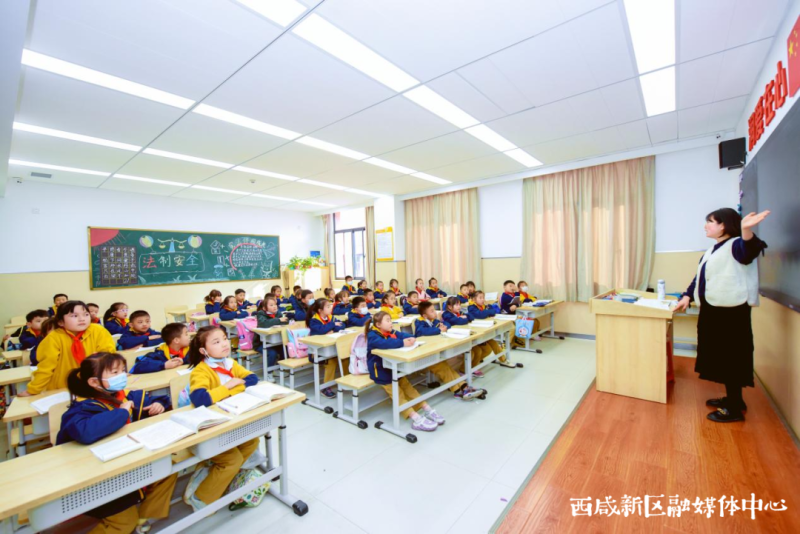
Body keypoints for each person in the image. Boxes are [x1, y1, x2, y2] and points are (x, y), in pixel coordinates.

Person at [58, 352, 176, 534]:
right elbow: (86, 432)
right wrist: (122, 413)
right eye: (115, 372)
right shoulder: (82, 408)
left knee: (167, 468)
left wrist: (158, 404)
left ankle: (144, 517)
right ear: (94, 382)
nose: (122, 375)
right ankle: (129, 520)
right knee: (123, 523)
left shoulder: (124, 395)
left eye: (122, 370)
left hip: (128, 464)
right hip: (99, 478)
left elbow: (156, 399)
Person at [674, 208, 769, 423]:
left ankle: (734, 409)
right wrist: (687, 296)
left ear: (724, 225)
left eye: (710, 221)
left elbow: (749, 251)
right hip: (714, 311)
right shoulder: (713, 250)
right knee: (722, 358)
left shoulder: (736, 244)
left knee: (731, 358)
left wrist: (746, 230)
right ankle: (734, 399)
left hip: (730, 313)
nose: (706, 226)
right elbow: (699, 277)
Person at [186, 326, 259, 511]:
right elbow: (200, 399)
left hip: (230, 422)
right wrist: (228, 387)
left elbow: (252, 378)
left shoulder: (229, 363)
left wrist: (231, 388)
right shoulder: (201, 371)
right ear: (203, 350)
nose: (225, 344)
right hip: (209, 429)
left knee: (252, 441)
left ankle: (223, 478)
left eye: (225, 338)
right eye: (216, 342)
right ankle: (200, 498)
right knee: (232, 459)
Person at [20, 301, 117, 396]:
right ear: (61, 322)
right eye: (74, 316)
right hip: (63, 388)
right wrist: (33, 390)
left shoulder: (98, 331)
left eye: (86, 314)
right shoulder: (53, 338)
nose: (82, 319)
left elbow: (108, 358)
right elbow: (46, 367)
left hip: (95, 385)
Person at [366, 312, 442, 431]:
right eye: (387, 320)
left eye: (390, 320)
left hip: (394, 366)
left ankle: (426, 408)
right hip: (380, 371)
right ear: (378, 324)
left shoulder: (391, 331)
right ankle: (416, 418)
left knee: (409, 388)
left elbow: (402, 334)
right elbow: (383, 343)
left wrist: (410, 338)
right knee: (398, 394)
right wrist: (402, 343)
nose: (391, 323)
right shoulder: (372, 335)